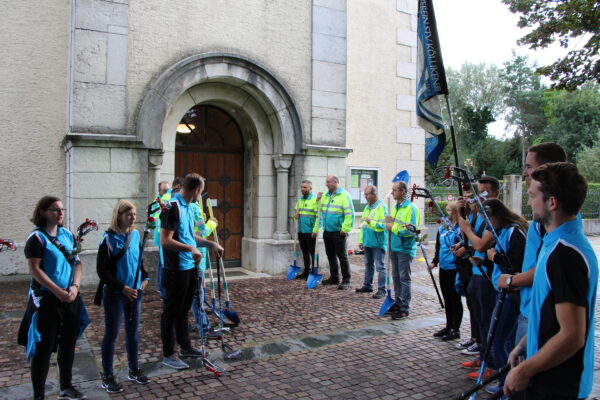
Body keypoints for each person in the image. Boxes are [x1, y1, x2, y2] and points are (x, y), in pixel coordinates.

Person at [504, 162, 598, 400]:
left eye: (533, 195)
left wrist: (525, 370)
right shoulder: (555, 243)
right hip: (546, 375)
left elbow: (572, 334)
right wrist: (525, 343)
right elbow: (549, 315)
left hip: (557, 385)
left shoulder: (565, 254)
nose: (528, 202)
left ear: (552, 202)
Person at [498, 142, 568, 350]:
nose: (525, 173)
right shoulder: (543, 219)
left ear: (547, 169)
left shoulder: (554, 219)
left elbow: (548, 266)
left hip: (535, 311)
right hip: (530, 307)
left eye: (529, 166)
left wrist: (512, 280)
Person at [21, 196, 86, 400]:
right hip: (48, 299)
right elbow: (35, 270)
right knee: (44, 348)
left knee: (68, 343)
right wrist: (57, 291)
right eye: (55, 210)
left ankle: (66, 386)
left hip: (70, 296)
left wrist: (74, 287)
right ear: (42, 212)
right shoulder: (36, 238)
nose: (60, 213)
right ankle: (38, 395)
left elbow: (77, 264)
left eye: (62, 210)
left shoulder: (68, 235)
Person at [159, 173, 224, 370]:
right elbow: (165, 240)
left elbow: (190, 237)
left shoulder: (188, 207)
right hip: (175, 268)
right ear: (196, 190)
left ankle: (186, 347)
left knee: (183, 309)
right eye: (201, 191)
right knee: (170, 311)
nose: (200, 195)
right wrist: (190, 249)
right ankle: (169, 354)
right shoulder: (173, 207)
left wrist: (210, 243)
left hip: (189, 267)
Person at [96, 200, 150, 393]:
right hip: (116, 294)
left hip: (135, 292)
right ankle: (108, 375)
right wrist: (122, 287)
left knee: (133, 332)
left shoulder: (135, 235)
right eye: (129, 214)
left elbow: (139, 263)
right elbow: (102, 271)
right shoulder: (108, 239)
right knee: (111, 334)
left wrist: (144, 279)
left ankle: (133, 368)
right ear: (119, 216)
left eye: (134, 214)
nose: (133, 217)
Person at [481, 198, 528, 396]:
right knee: (505, 342)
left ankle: (505, 385)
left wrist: (494, 257)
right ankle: (504, 383)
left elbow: (514, 264)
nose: (487, 225)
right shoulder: (503, 231)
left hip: (512, 294)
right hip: (503, 290)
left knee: (499, 342)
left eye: (488, 219)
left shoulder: (513, 232)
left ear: (496, 215)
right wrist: (485, 260)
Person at [457, 176, 500, 379]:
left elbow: (481, 244)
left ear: (495, 194)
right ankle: (483, 357)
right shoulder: (479, 215)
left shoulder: (494, 216)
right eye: (478, 193)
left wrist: (467, 231)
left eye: (484, 193)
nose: (480, 198)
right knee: (479, 319)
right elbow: (469, 238)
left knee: (488, 321)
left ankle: (491, 363)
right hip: (474, 272)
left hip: (487, 275)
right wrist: (461, 212)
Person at [385, 181, 421, 320]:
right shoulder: (395, 207)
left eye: (394, 190)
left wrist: (391, 227)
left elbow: (411, 231)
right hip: (394, 246)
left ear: (401, 191)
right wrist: (387, 223)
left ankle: (404, 307)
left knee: (404, 278)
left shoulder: (411, 208)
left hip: (404, 248)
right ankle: (398, 302)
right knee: (396, 277)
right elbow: (391, 225)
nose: (392, 192)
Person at [312, 175, 354, 290]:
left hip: (338, 232)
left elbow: (350, 214)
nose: (327, 184)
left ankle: (346, 280)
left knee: (342, 256)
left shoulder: (344, 195)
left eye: (328, 182)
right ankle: (334, 278)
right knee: (330, 256)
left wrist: (344, 229)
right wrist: (318, 200)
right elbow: (319, 212)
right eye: (326, 182)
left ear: (335, 182)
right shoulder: (325, 196)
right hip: (328, 231)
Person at [430, 202, 463, 341]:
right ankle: (448, 326)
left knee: (454, 298)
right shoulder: (443, 228)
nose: (447, 213)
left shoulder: (459, 228)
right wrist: (434, 261)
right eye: (447, 210)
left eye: (450, 211)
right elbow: (438, 246)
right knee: (447, 298)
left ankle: (456, 328)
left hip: (454, 267)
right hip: (443, 266)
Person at [355, 185, 388, 299]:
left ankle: (382, 289)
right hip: (368, 242)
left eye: (367, 194)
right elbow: (363, 226)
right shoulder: (366, 208)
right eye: (364, 194)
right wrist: (361, 240)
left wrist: (371, 222)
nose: (365, 196)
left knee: (380, 267)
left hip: (378, 243)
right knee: (368, 265)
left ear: (374, 195)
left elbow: (382, 226)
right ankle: (367, 285)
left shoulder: (382, 207)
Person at [294, 180, 319, 280]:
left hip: (310, 231)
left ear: (310, 188)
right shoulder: (300, 200)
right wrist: (295, 216)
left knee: (313, 252)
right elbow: (296, 215)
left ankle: (314, 270)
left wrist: (315, 230)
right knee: (304, 251)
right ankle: (306, 271)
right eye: (301, 187)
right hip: (301, 230)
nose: (302, 189)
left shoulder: (315, 200)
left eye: (305, 187)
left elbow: (318, 217)